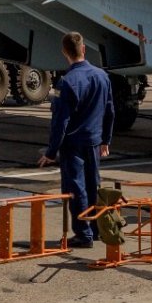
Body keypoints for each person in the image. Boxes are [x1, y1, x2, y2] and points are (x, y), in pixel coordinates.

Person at [36, 32, 114, 248]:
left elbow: (60, 123)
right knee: (94, 185)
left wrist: (51, 152)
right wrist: (106, 140)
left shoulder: (67, 83)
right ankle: (96, 228)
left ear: (64, 52)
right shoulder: (102, 76)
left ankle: (83, 234)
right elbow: (109, 111)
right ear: (84, 49)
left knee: (76, 188)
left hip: (74, 145)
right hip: (95, 142)